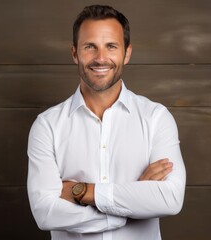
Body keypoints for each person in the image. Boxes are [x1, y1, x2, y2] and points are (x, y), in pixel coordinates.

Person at [27, 5, 186, 240]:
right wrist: (131, 206)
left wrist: (85, 192)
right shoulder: (47, 125)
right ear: (74, 53)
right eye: (90, 47)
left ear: (127, 53)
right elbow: (45, 213)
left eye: (111, 46)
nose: (101, 58)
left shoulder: (156, 118)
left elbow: (170, 199)